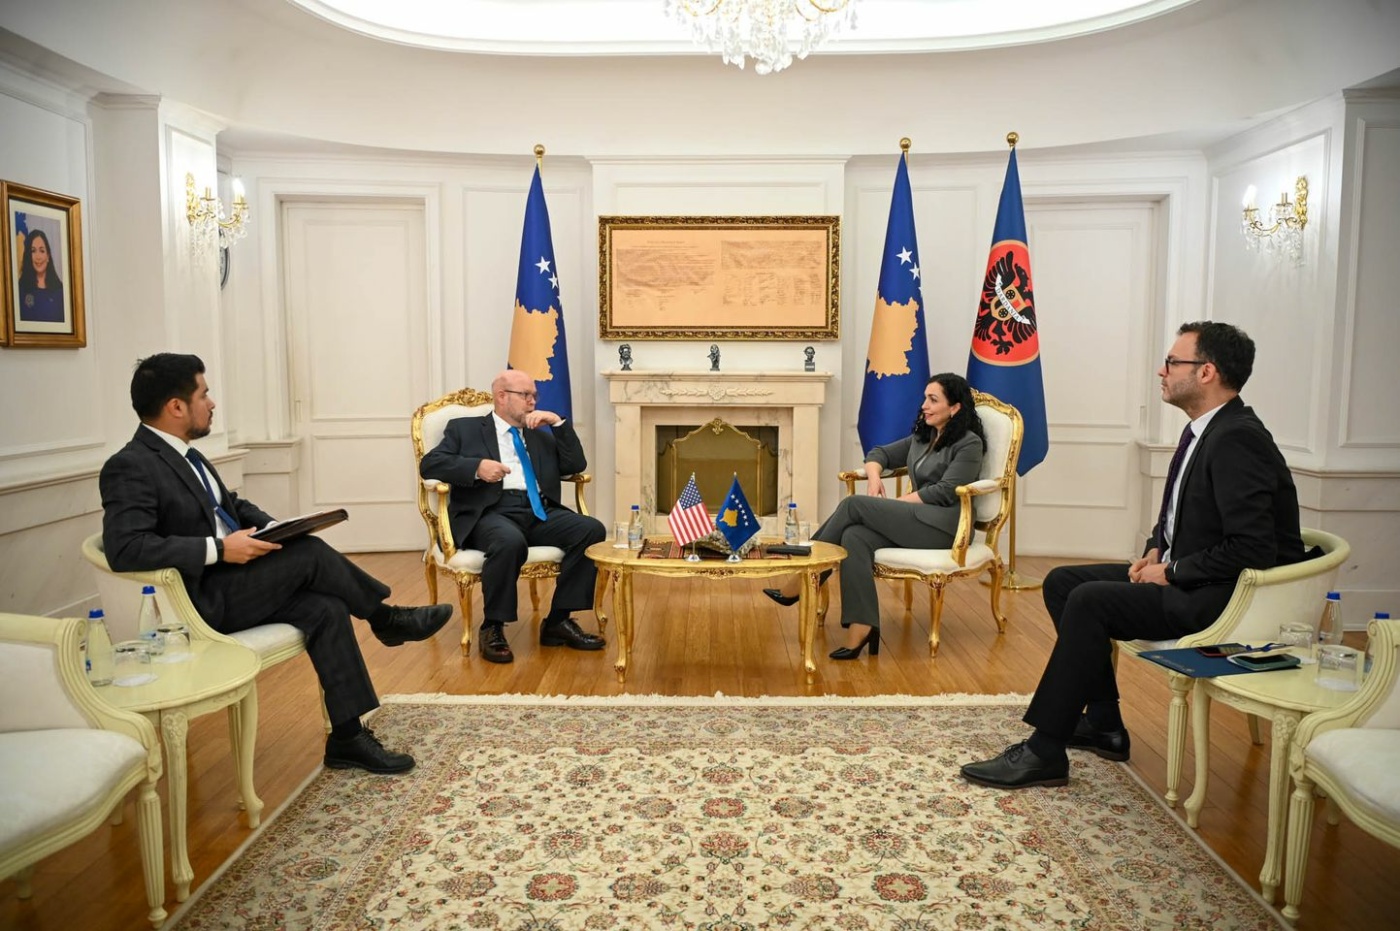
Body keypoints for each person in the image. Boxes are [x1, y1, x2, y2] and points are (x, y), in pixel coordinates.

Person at [961, 321, 1309, 790]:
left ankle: (1045, 751)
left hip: (1225, 597)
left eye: (1172, 362)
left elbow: (1253, 547)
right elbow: (1186, 514)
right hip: (1196, 575)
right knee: (1064, 582)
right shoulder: (1207, 430)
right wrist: (1155, 549)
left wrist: (1173, 571)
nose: (1162, 371)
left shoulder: (1237, 438)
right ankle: (1104, 723)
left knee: (1090, 601)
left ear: (1206, 372)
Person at [101, 353, 452, 775]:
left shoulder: (187, 455)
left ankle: (347, 738)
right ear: (176, 406)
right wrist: (219, 549)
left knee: (326, 607)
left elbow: (230, 505)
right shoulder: (130, 465)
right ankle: (385, 619)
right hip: (198, 602)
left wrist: (276, 529)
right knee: (310, 554)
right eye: (204, 394)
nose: (212, 403)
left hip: (233, 582)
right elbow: (126, 548)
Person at [763, 373, 986, 659]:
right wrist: (874, 476)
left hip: (945, 526)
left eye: (933, 400)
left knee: (853, 505)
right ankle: (862, 625)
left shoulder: (969, 444)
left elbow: (945, 491)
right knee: (854, 536)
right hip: (916, 519)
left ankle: (804, 576)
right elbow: (878, 453)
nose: (924, 406)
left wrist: (898, 504)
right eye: (925, 398)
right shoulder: (924, 437)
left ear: (954, 408)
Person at [419, 369, 607, 664]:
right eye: (525, 395)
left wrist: (557, 423)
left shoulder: (539, 434)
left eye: (534, 395)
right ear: (502, 397)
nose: (533, 401)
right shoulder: (465, 429)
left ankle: (558, 621)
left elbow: (575, 464)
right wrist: (477, 467)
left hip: (538, 511)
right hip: (490, 512)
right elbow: (431, 464)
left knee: (591, 530)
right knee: (509, 541)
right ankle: (492, 626)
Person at [17, 228, 65, 323]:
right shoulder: (20, 290)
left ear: (48, 256)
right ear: (28, 256)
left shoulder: (60, 291)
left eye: (42, 251)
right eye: (33, 251)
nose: (38, 257)